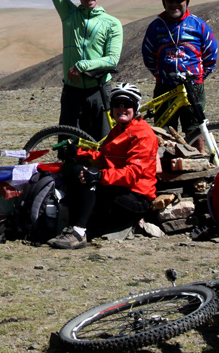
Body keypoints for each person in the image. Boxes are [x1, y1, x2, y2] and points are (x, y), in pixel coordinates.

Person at [49, 83, 159, 250]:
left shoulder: (143, 134)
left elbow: (133, 173)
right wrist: (79, 153)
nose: (121, 108)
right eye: (117, 104)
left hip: (137, 196)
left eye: (127, 104)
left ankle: (79, 233)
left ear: (136, 107)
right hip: (119, 189)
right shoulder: (118, 130)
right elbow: (103, 158)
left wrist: (100, 176)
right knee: (76, 170)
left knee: (91, 179)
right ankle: (74, 225)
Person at [39, 0, 123, 140]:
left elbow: (112, 60)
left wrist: (83, 65)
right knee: (69, 145)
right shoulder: (69, 14)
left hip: (99, 90)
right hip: (72, 91)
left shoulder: (111, 23)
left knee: (103, 143)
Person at [141, 0, 218, 138]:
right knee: (164, 134)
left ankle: (199, 161)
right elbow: (148, 55)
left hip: (193, 86)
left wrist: (199, 77)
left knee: (196, 131)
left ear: (187, 1)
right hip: (165, 86)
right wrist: (160, 75)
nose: (174, 3)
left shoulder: (199, 25)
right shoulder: (156, 26)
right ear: (164, 1)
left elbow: (211, 55)